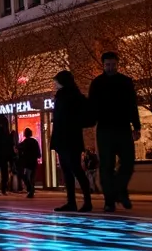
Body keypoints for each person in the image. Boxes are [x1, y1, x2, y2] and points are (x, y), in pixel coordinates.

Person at [88, 51, 140, 212]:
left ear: (117, 64)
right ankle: (110, 200)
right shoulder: (97, 83)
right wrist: (90, 121)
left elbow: (132, 104)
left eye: (113, 64)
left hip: (123, 127)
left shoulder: (126, 82)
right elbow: (92, 106)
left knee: (128, 162)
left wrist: (136, 126)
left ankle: (119, 190)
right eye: (107, 65)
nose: (110, 67)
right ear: (103, 65)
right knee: (106, 166)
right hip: (104, 129)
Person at [51, 70, 94, 212]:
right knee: (68, 170)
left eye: (56, 81)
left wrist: (73, 123)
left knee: (75, 169)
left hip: (69, 138)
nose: (55, 84)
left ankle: (86, 201)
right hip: (64, 138)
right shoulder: (64, 95)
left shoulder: (73, 96)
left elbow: (87, 116)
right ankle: (72, 202)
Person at [17, 128, 42, 198]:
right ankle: (31, 190)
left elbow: (19, 147)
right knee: (32, 177)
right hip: (33, 161)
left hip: (27, 162)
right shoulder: (34, 141)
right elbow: (38, 153)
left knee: (25, 175)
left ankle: (30, 189)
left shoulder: (25, 142)